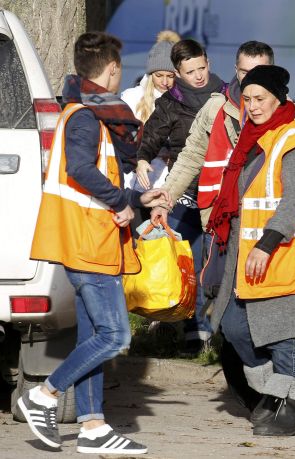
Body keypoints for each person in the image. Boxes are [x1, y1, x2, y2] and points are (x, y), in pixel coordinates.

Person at [20, 32, 172, 455]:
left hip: (93, 238)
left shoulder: (85, 114)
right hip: (89, 241)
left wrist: (135, 200)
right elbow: (81, 172)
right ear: (111, 71)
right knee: (115, 335)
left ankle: (92, 427)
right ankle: (44, 395)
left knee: (93, 334)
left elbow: (91, 177)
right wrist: (123, 200)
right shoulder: (86, 117)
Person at [207, 65, 295, 436]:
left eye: (260, 98)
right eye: (247, 99)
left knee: (285, 336)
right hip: (251, 259)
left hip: (286, 257)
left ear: (279, 99)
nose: (253, 105)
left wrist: (266, 243)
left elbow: (293, 202)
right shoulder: (256, 137)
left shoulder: (294, 141)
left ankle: (290, 407)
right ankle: (271, 393)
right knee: (234, 327)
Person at [136, 38, 227, 354]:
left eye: (202, 68)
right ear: (177, 73)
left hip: (222, 193)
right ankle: (193, 333)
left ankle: (222, 333)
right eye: (190, 72)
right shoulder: (170, 103)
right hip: (186, 193)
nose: (198, 76)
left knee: (217, 266)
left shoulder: (228, 96)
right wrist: (143, 157)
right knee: (187, 262)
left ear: (208, 63)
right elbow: (152, 135)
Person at [151, 41, 274, 233]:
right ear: (235, 70)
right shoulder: (215, 108)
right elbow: (191, 157)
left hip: (265, 222)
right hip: (219, 220)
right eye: (244, 72)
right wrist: (163, 203)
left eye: (260, 71)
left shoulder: (289, 114)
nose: (252, 79)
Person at [121, 30, 180, 123]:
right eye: (159, 75)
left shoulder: (186, 101)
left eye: (170, 76)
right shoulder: (131, 98)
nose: (164, 82)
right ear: (151, 74)